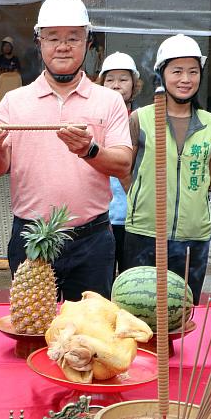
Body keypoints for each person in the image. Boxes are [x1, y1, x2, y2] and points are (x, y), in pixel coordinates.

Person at [0, 0, 132, 301]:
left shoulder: (109, 100)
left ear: (87, 43)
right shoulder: (15, 101)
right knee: (32, 330)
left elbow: (123, 164)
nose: (63, 46)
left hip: (91, 238)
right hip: (30, 236)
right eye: (53, 38)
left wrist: (90, 150)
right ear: (39, 43)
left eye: (73, 38)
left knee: (89, 334)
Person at [123, 35, 211, 304]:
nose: (185, 79)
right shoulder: (141, 119)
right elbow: (125, 171)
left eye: (193, 72)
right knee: (138, 309)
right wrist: (140, 195)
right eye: (176, 71)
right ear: (161, 74)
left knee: (184, 311)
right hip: (144, 233)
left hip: (193, 236)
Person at [97, 51, 143, 276]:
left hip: (131, 216)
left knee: (129, 279)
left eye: (123, 79)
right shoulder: (93, 119)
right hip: (99, 216)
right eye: (110, 79)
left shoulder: (142, 120)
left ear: (134, 86)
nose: (116, 85)